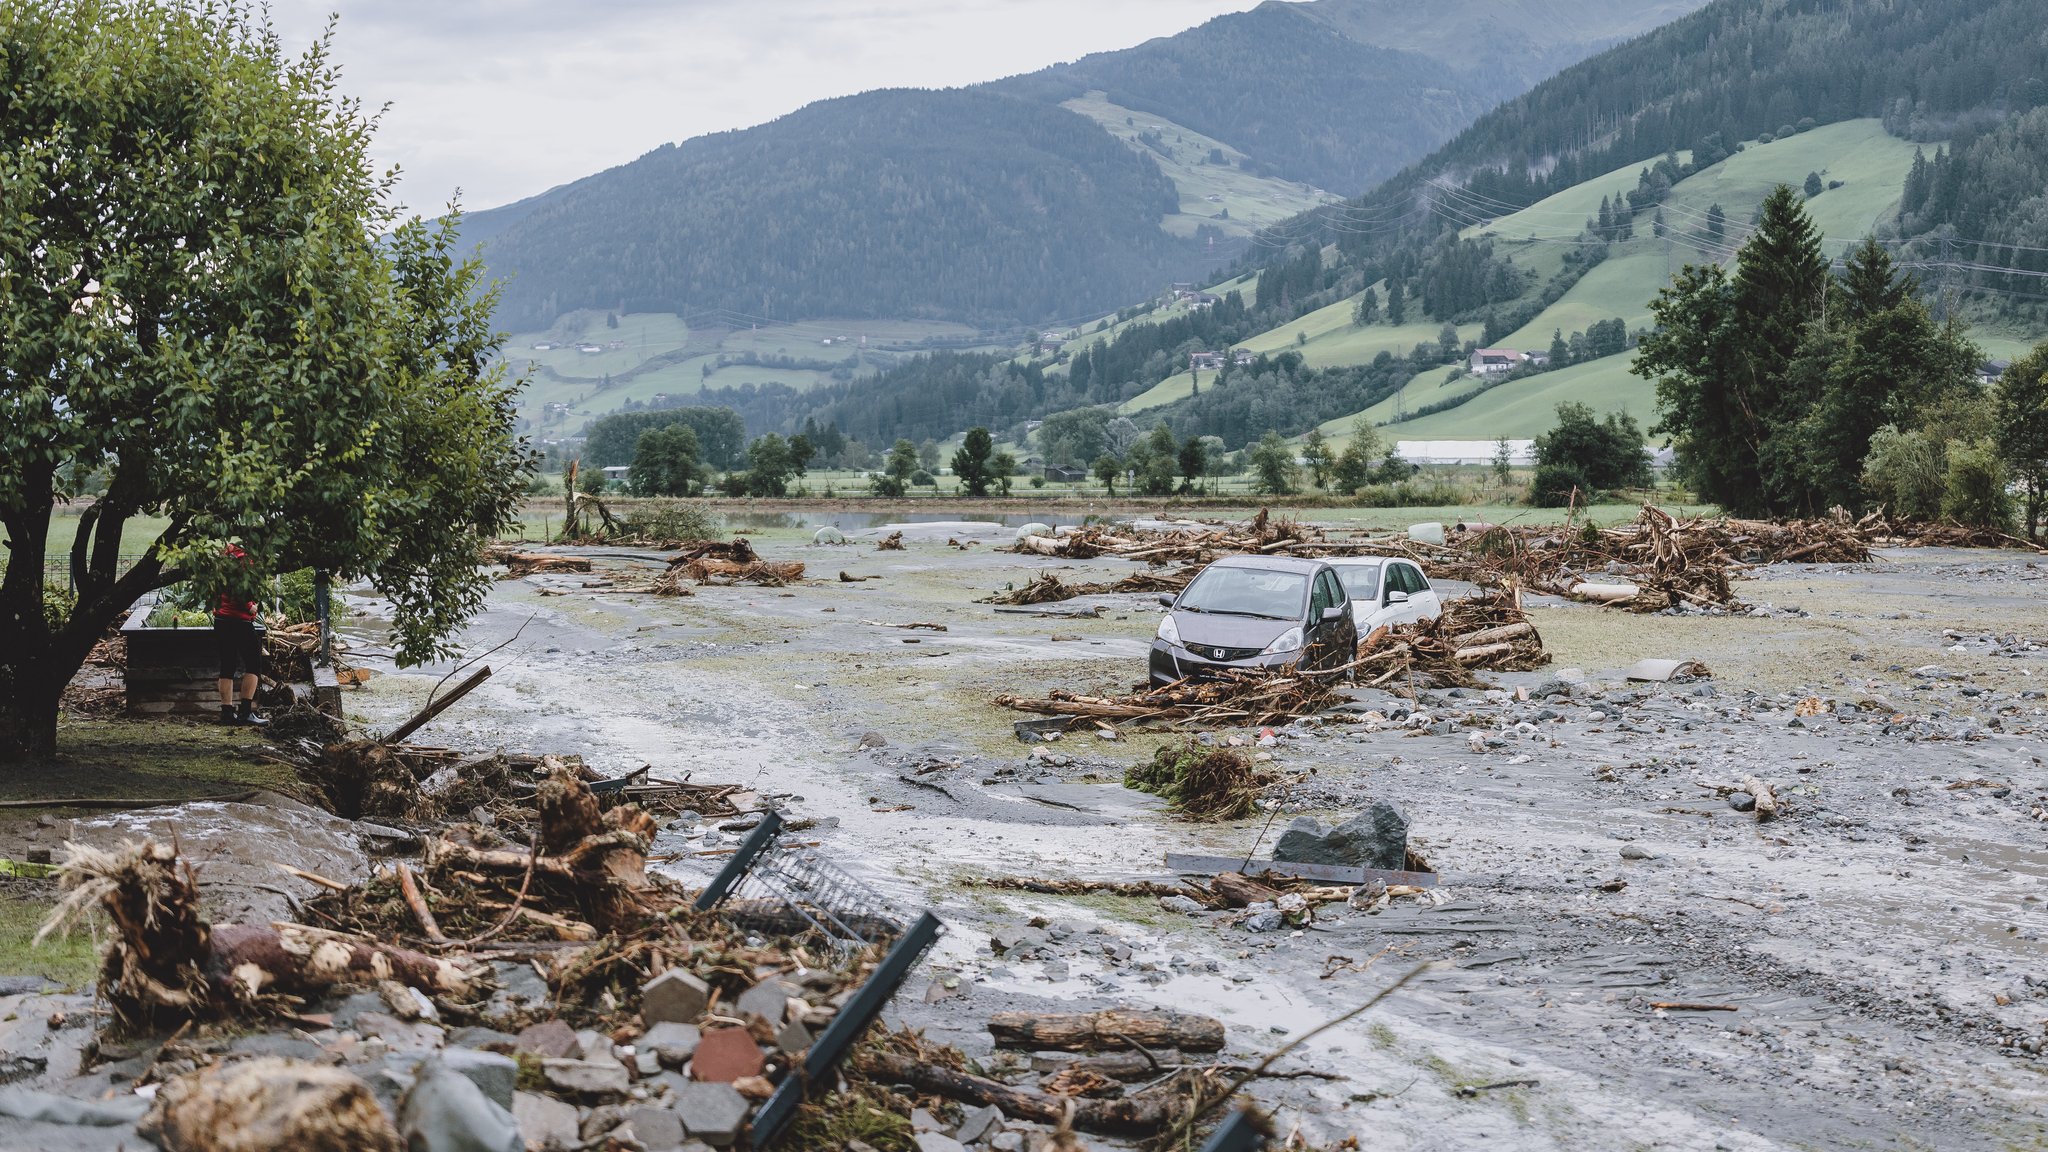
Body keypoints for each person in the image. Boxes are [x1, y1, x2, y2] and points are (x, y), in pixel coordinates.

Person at [214, 543, 267, 727]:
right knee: (253, 664)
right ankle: (245, 712)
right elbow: (241, 588)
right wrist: (250, 606)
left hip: (221, 618)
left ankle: (227, 713)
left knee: (227, 665)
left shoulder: (225, 555)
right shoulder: (245, 559)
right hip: (240, 619)